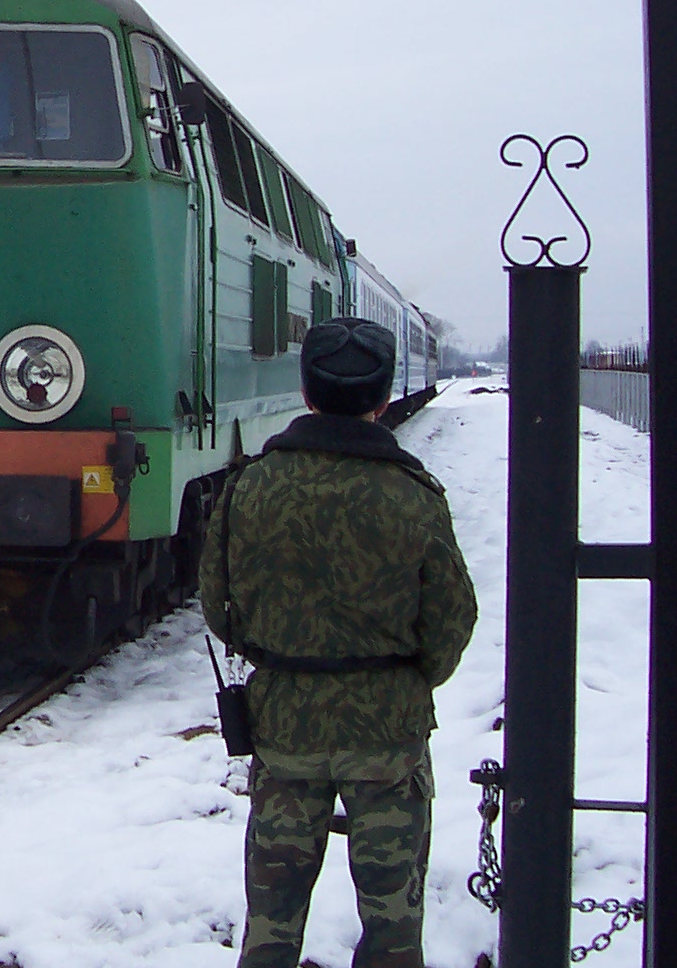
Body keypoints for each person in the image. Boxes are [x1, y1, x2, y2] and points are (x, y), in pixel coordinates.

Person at [200, 317, 478, 968]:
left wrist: (280, 653)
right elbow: (451, 618)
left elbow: (219, 608)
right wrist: (406, 678)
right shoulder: (414, 495)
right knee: (392, 926)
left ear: (306, 393)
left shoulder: (248, 487)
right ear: (383, 400)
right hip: (388, 732)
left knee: (271, 924)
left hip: (284, 728)